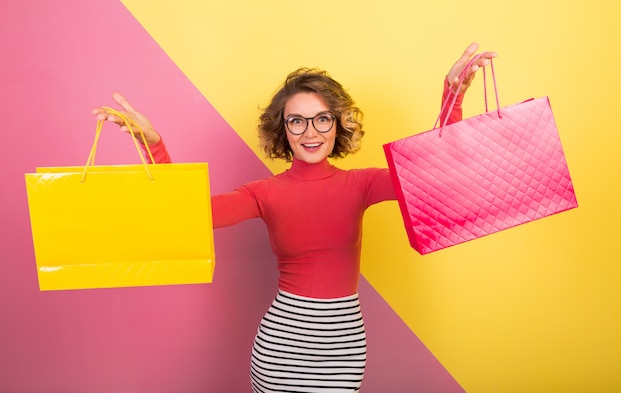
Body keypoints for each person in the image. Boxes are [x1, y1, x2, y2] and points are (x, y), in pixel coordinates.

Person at [94, 42, 497, 393]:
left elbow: (429, 172)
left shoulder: (362, 183)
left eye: (322, 118)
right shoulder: (264, 193)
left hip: (342, 350)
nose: (310, 131)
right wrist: (153, 145)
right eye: (296, 120)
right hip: (280, 351)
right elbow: (189, 214)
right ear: (282, 129)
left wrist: (453, 96)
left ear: (337, 125)